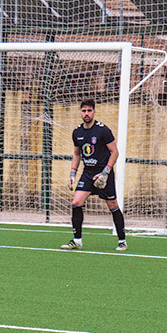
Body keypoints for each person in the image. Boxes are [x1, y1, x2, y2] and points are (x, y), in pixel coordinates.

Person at [61, 98, 128, 252]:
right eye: (84, 110)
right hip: (87, 174)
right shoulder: (77, 132)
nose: (86, 113)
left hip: (103, 174)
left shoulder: (102, 130)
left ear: (94, 112)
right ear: (80, 112)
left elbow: (115, 152)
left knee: (112, 205)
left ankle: (122, 240)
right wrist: (72, 173)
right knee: (76, 202)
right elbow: (77, 154)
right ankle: (77, 241)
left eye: (89, 110)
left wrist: (106, 172)